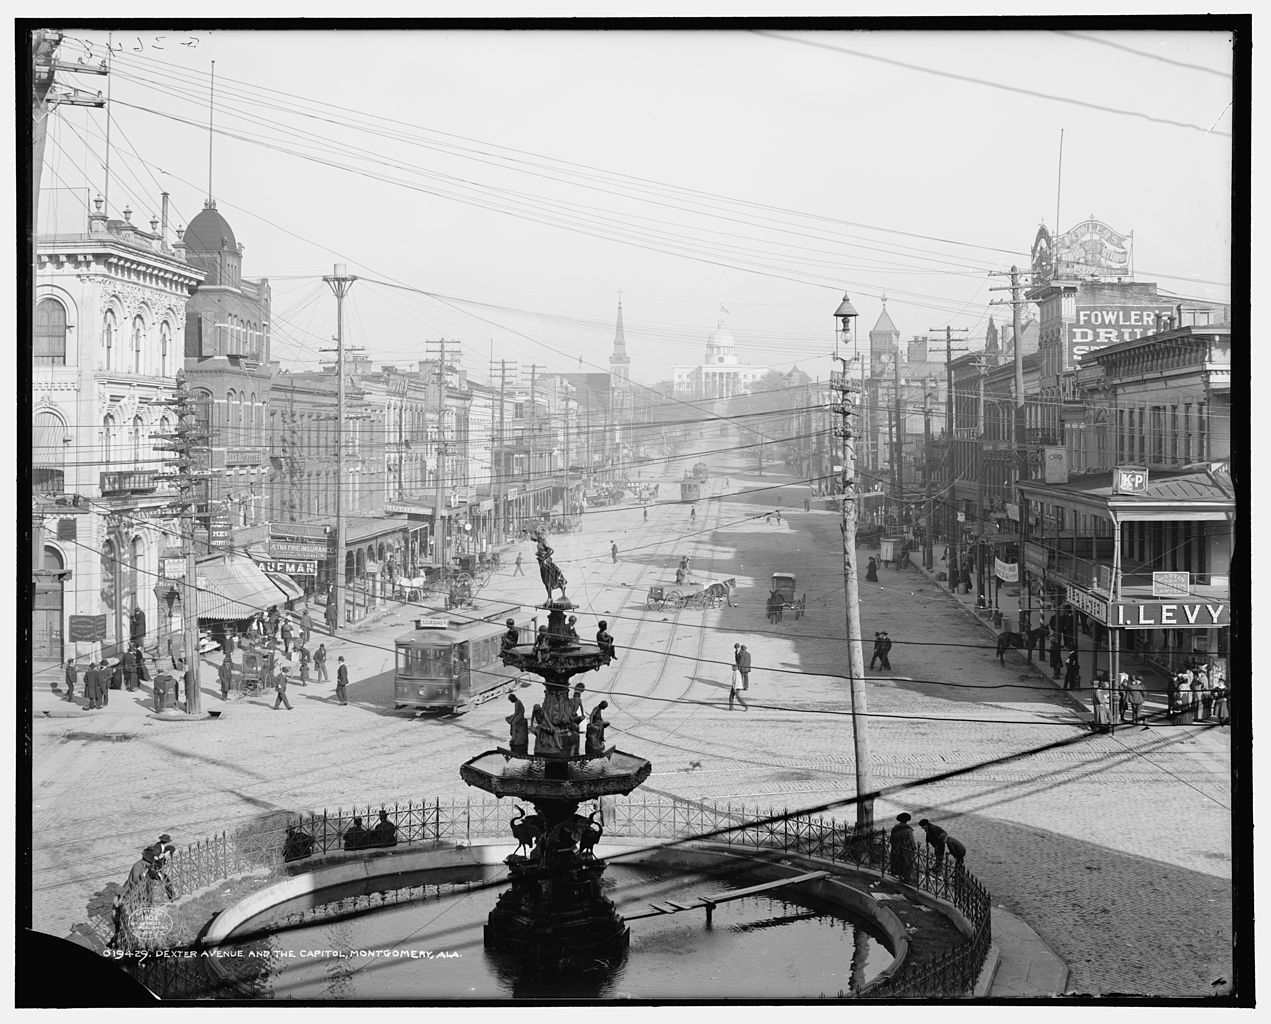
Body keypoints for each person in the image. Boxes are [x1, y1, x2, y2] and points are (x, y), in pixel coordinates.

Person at [889, 813, 918, 883]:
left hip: (896, 850)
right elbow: (912, 842)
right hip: (906, 851)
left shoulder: (895, 829)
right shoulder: (908, 830)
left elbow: (891, 840)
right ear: (907, 821)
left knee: (898, 864)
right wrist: (914, 848)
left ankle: (900, 877)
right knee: (908, 865)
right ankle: (908, 879)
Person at [568, 683, 586, 755]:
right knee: (574, 739)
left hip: (570, 718)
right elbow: (581, 708)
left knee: (568, 732)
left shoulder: (570, 700)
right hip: (575, 718)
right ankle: (574, 752)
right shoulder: (579, 700)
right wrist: (583, 715)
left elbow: (568, 709)